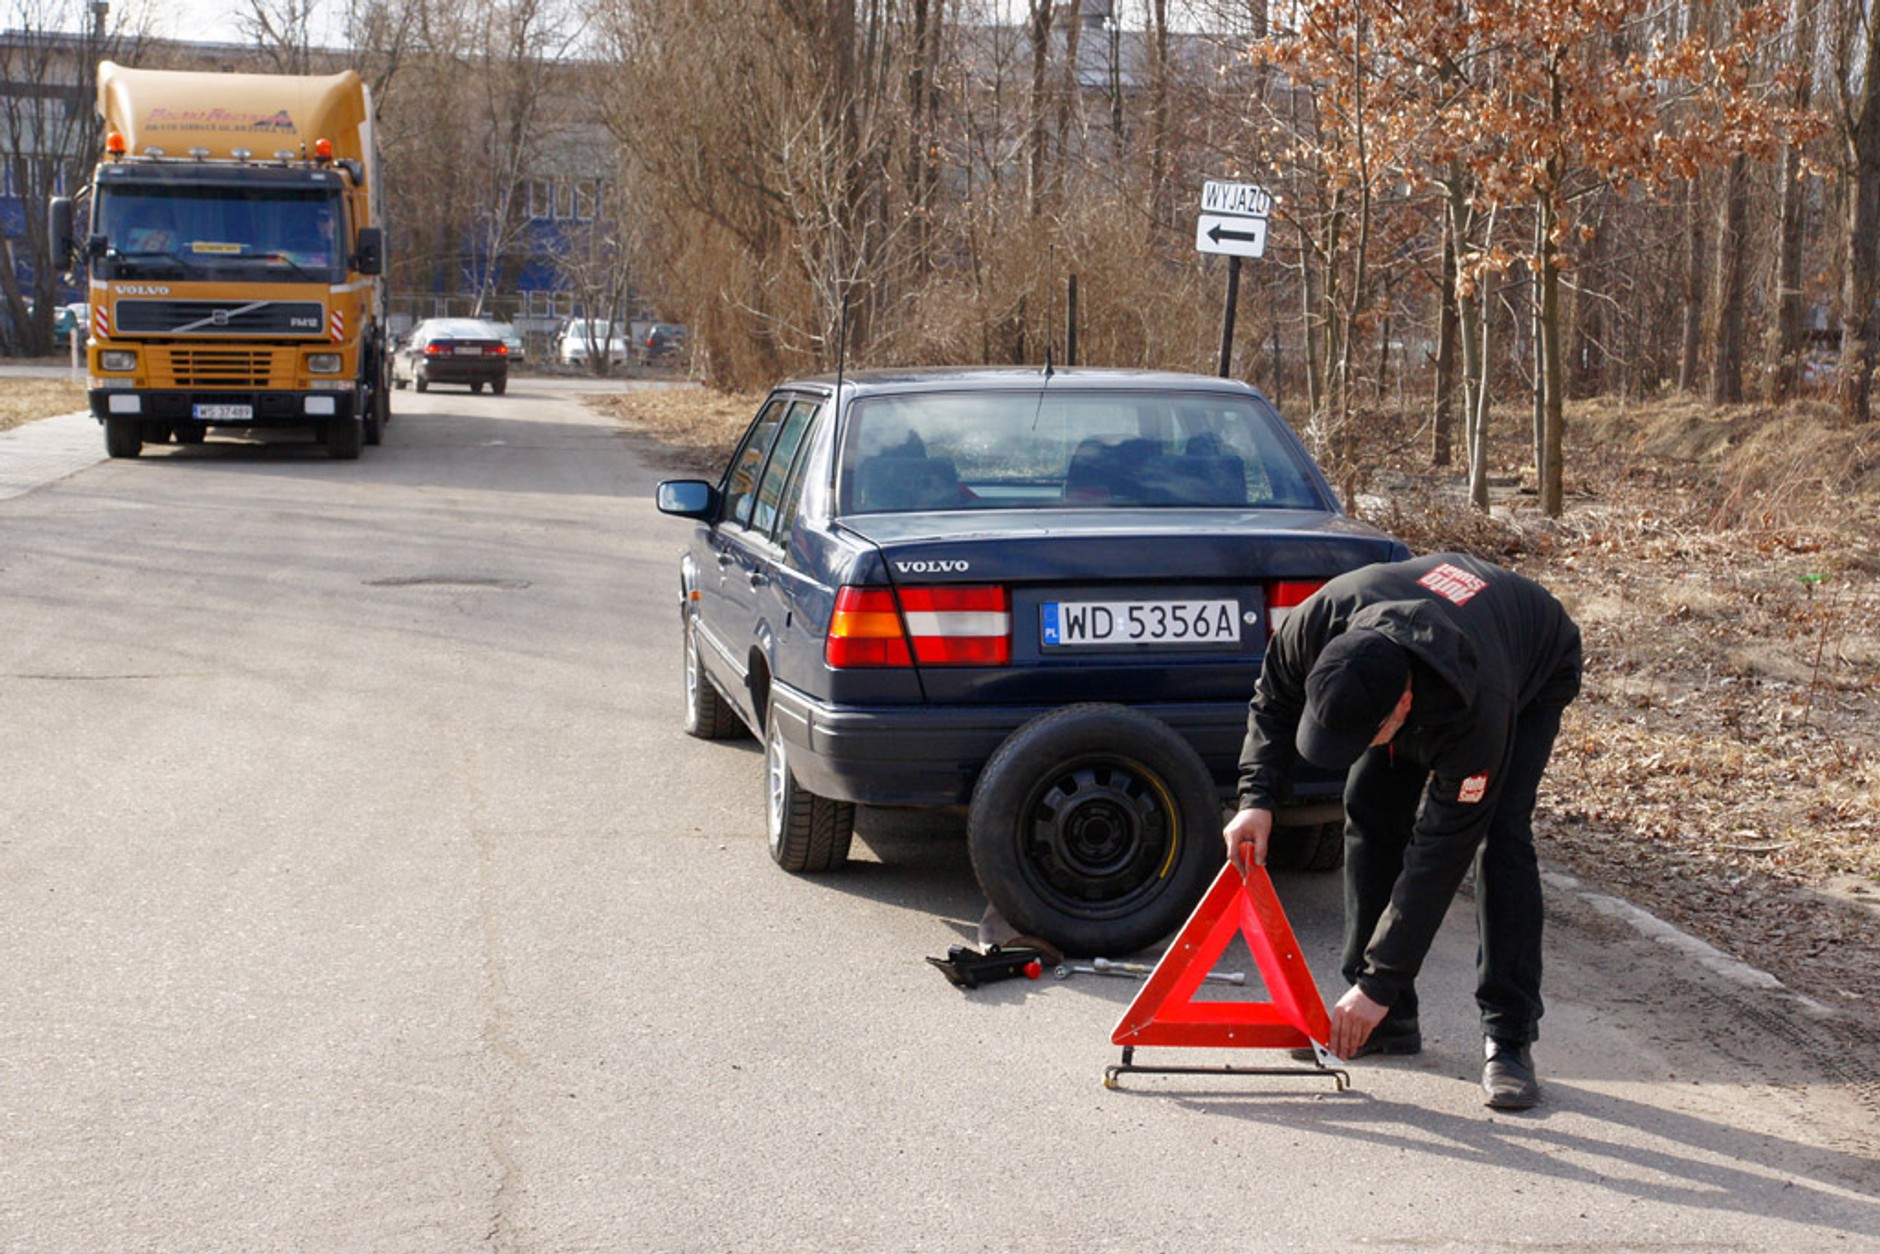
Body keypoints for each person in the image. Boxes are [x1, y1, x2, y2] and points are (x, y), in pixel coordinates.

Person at [1224, 552, 1582, 1109]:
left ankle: (1508, 1037)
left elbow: (1438, 856)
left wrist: (1380, 980)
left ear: (1402, 707)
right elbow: (1272, 699)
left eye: (1369, 736)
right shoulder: (1318, 622)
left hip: (1531, 659)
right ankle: (1384, 1022)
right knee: (1367, 808)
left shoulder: (1477, 715)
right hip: (1430, 642)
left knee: (1501, 837)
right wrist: (1256, 798)